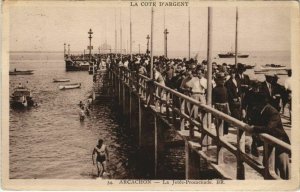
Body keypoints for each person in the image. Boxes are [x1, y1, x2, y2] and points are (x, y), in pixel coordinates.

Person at [249, 92, 290, 179]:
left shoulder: (273, 112)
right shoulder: (259, 110)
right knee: (269, 167)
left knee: (283, 168)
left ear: (260, 103)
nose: (253, 105)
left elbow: (269, 128)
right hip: (269, 143)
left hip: (280, 143)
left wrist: (254, 128)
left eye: (255, 103)